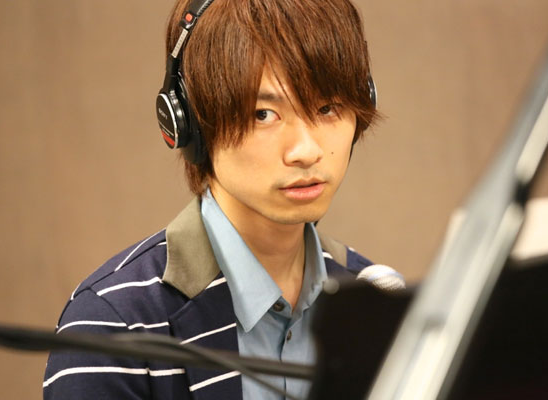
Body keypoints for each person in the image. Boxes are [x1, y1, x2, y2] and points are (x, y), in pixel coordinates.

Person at [43, 0, 398, 398]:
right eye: (263, 114)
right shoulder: (112, 327)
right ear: (189, 122)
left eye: (327, 107)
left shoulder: (376, 303)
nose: (305, 150)